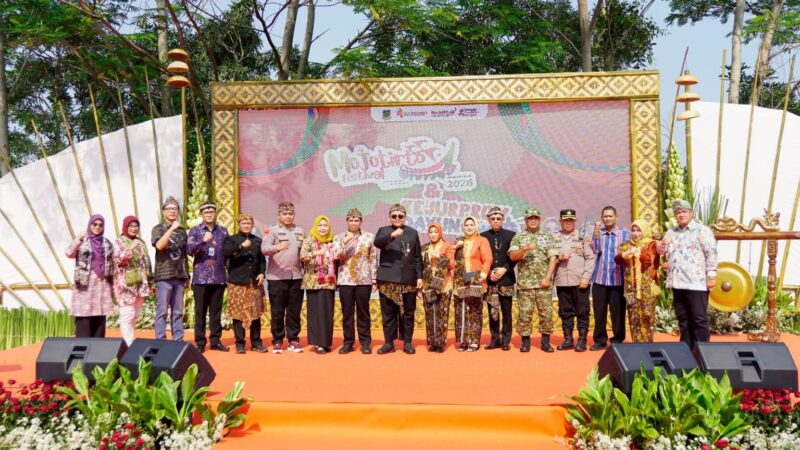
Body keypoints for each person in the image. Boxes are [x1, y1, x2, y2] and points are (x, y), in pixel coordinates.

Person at [658, 199, 718, 349]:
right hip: (677, 282)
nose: (681, 215)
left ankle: (703, 351)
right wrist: (663, 244)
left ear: (691, 213)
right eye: (678, 213)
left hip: (696, 282)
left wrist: (711, 275)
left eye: (684, 212)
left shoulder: (702, 230)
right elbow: (660, 251)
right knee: (683, 319)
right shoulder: (671, 232)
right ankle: (686, 351)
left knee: (699, 318)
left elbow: (711, 253)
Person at [373, 204, 423, 355]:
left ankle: (407, 342)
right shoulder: (384, 231)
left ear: (405, 217)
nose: (397, 218)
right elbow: (377, 243)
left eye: (400, 216)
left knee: (408, 312)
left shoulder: (412, 232)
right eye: (394, 216)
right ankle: (389, 343)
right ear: (389, 217)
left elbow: (417, 257)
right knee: (388, 313)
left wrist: (419, 276)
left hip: (408, 278)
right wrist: (392, 235)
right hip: (387, 278)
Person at [508, 207, 558, 353]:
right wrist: (524, 249)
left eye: (536, 218)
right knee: (524, 314)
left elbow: (553, 258)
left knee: (546, 313)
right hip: (525, 284)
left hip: (543, 283)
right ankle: (525, 342)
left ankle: (545, 342)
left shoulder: (547, 236)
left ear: (539, 219)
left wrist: (547, 278)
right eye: (530, 218)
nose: (533, 220)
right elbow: (513, 257)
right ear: (526, 220)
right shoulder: (519, 237)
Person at [261, 202, 305, 354]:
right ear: (278, 215)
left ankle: (293, 339)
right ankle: (278, 340)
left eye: (290, 214)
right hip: (277, 278)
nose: (288, 216)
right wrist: (277, 247)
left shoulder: (300, 230)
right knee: (277, 311)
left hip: (296, 276)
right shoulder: (271, 230)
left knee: (294, 311)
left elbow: (304, 251)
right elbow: (264, 249)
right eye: (285, 214)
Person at [186, 201, 229, 353]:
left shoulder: (223, 231)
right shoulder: (195, 231)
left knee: (216, 312)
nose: (209, 215)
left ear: (215, 213)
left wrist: (230, 272)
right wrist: (202, 241)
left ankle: (215, 341)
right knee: (200, 312)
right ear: (201, 214)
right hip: (201, 278)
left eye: (211, 212)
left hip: (218, 277)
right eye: (206, 212)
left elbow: (227, 254)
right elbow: (189, 250)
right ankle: (200, 342)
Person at [333, 208, 377, 354]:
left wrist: (374, 280)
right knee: (347, 313)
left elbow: (373, 259)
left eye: (356, 220)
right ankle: (348, 342)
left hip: (364, 280)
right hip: (345, 279)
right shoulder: (339, 237)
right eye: (351, 220)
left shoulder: (369, 237)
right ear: (346, 221)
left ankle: (365, 343)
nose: (353, 223)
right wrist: (345, 242)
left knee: (363, 312)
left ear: (361, 221)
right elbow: (335, 256)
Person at [223, 213, 267, 353]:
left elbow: (262, 260)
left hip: (254, 282)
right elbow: (226, 253)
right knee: (238, 314)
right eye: (244, 223)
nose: (246, 226)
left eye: (249, 223)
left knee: (255, 313)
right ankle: (240, 343)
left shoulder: (258, 240)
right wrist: (241, 246)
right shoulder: (232, 239)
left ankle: (256, 342)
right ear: (239, 225)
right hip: (237, 281)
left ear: (252, 225)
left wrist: (262, 273)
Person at [553, 209, 596, 352]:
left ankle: (582, 340)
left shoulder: (582, 237)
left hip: (580, 282)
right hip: (561, 281)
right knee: (565, 312)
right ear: (560, 221)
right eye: (565, 220)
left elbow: (590, 258)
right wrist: (559, 259)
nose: (568, 223)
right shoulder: (554, 238)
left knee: (582, 312)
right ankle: (568, 340)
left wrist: (586, 278)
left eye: (571, 220)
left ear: (575, 221)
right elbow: (549, 259)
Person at [66, 214, 114, 338]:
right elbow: (69, 253)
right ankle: (83, 344)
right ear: (90, 225)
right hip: (85, 282)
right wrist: (78, 239)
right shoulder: (83, 241)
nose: (97, 227)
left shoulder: (107, 243)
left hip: (102, 283)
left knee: (100, 313)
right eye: (95, 224)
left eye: (100, 225)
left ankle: (97, 345)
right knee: (84, 314)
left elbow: (113, 262)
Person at [589, 206, 630, 351]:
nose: (607, 219)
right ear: (601, 218)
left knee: (618, 312)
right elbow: (595, 249)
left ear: (616, 217)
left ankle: (617, 340)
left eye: (610, 216)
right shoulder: (598, 233)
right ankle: (600, 340)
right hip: (600, 279)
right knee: (599, 312)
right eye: (605, 216)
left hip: (618, 279)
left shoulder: (624, 234)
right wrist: (596, 233)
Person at [151, 196, 190, 341]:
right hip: (164, 276)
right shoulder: (158, 229)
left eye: (175, 209)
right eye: (169, 209)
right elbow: (160, 246)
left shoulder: (182, 231)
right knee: (162, 311)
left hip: (179, 276)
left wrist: (187, 276)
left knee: (178, 311)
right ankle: (160, 340)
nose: (172, 211)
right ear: (164, 211)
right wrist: (171, 229)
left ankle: (178, 340)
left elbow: (184, 255)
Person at [615, 219, 660, 343]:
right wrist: (626, 253)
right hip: (630, 288)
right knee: (633, 315)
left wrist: (639, 254)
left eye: (639, 231)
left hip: (647, 286)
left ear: (644, 231)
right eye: (633, 230)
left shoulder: (652, 244)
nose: (635, 234)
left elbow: (654, 262)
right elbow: (617, 260)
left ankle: (647, 343)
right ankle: (636, 343)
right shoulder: (626, 245)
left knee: (647, 315)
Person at [453, 216, 493, 352]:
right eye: (467, 225)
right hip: (460, 279)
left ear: (476, 226)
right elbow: (450, 259)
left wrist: (484, 274)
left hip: (476, 278)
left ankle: (474, 341)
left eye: (471, 224)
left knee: (475, 310)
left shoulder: (482, 240)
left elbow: (488, 259)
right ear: (463, 227)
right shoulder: (459, 241)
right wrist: (455, 248)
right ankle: (464, 340)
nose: (469, 227)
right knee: (462, 310)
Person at [112, 215, 153, 346]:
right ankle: (127, 344)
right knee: (127, 314)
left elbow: (147, 262)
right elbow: (119, 261)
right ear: (125, 227)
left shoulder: (140, 242)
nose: (134, 228)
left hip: (140, 284)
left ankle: (129, 339)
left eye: (136, 226)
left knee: (135, 314)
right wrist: (130, 248)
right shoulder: (118, 242)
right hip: (125, 285)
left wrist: (150, 280)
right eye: (131, 226)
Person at [480, 206, 516, 351]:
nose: (495, 221)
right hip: (490, 281)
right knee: (493, 311)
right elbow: (480, 257)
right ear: (489, 220)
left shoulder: (511, 235)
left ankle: (506, 340)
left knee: (506, 311)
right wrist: (488, 272)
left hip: (506, 279)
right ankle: (495, 339)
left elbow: (514, 257)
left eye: (498, 219)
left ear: (503, 219)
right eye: (493, 219)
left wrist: (504, 269)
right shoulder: (483, 236)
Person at [301, 215, 338, 354]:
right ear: (315, 227)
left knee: (327, 313)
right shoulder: (309, 240)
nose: (322, 228)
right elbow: (303, 257)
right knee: (315, 313)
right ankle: (317, 343)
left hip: (329, 282)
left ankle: (325, 342)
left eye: (325, 225)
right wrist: (317, 253)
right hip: (313, 282)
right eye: (320, 225)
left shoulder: (333, 241)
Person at [420, 222, 455, 353]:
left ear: (440, 233)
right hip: (428, 284)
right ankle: (432, 342)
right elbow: (420, 265)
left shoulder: (447, 246)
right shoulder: (424, 248)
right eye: (431, 232)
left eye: (436, 232)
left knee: (442, 313)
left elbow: (452, 265)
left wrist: (438, 257)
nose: (433, 234)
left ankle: (440, 343)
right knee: (430, 313)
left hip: (444, 285)